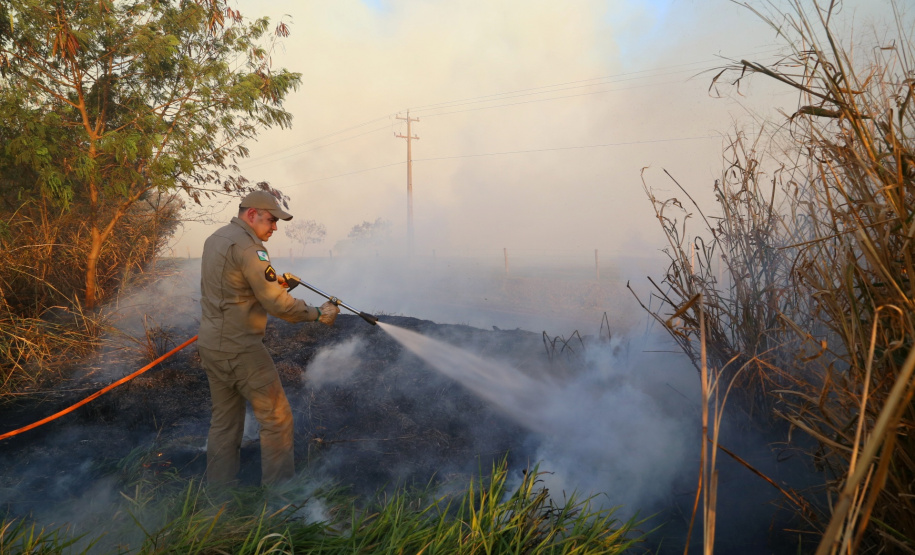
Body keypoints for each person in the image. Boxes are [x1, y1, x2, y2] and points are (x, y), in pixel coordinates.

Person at [198, 190, 339, 486]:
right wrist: (318, 313)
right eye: (271, 220)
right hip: (241, 349)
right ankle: (280, 499)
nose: (275, 227)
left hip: (212, 345)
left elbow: (232, 288)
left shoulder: (216, 239)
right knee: (277, 419)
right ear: (252, 214)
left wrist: (276, 284)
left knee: (224, 423)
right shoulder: (251, 248)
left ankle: (218, 497)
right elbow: (277, 306)